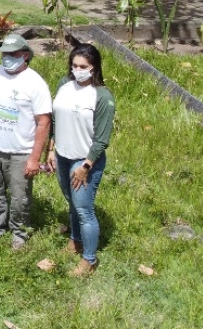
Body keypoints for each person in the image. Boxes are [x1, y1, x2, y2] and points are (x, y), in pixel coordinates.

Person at [0, 34, 52, 250]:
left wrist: (35, 158)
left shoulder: (35, 83)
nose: (7, 58)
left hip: (21, 152)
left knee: (20, 198)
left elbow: (44, 122)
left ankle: (20, 233)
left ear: (25, 56)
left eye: (13, 54)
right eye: (4, 54)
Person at [46, 44, 115, 276]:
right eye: (74, 65)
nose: (78, 70)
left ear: (93, 67)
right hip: (62, 155)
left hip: (84, 161)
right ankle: (75, 241)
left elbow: (102, 138)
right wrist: (51, 149)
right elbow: (55, 121)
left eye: (83, 66)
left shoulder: (102, 96)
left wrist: (86, 166)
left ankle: (89, 260)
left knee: (84, 210)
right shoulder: (64, 85)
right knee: (72, 202)